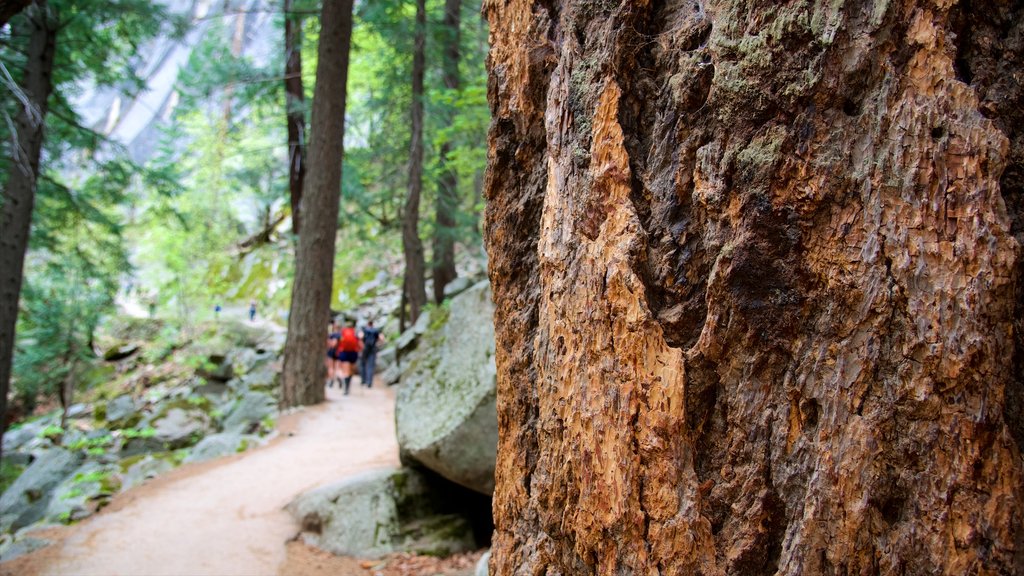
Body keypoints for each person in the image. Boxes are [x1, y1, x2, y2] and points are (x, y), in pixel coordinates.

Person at [334, 321, 362, 395]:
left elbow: (336, 344)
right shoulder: (355, 333)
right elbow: (360, 344)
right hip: (353, 353)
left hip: (344, 352)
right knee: (351, 371)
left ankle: (345, 387)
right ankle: (347, 387)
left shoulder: (342, 332)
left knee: (345, 371)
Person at [359, 319, 385, 388]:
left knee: (363, 364)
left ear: (368, 324)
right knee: (371, 365)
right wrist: (378, 345)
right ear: (372, 324)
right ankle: (369, 382)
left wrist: (361, 346)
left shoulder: (364, 329)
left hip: (365, 349)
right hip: (373, 349)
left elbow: (360, 337)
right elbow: (382, 339)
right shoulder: (376, 330)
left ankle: (363, 380)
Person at [325, 320, 341, 387]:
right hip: (338, 352)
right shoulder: (340, 334)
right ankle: (338, 378)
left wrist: (329, 342)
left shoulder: (333, 334)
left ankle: (332, 381)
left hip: (332, 352)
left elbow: (333, 344)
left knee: (331, 367)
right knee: (337, 367)